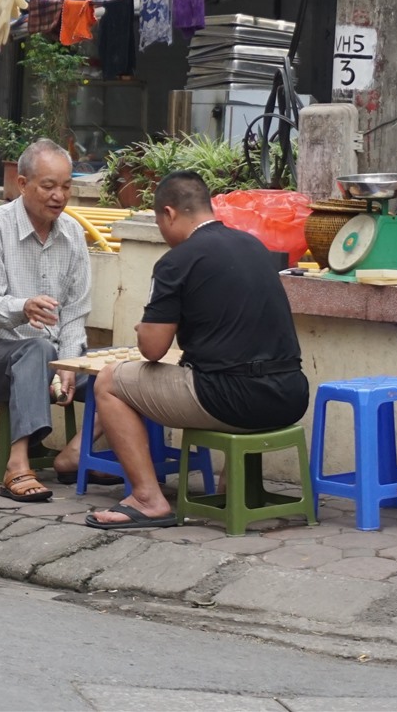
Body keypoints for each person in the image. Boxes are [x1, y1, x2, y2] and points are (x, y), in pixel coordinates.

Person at [85, 170, 310, 529]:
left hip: (230, 398)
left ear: (169, 214)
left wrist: (144, 329)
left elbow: (154, 349)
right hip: (291, 394)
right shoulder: (254, 247)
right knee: (225, 367)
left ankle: (146, 498)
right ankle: (236, 488)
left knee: (109, 381)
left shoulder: (176, 261)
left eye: (160, 222)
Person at [0, 139, 91, 501]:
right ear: (23, 184)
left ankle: (75, 454)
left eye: (66, 186)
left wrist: (70, 362)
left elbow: (76, 312)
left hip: (51, 356)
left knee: (122, 373)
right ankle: (17, 465)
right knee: (36, 348)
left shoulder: (74, 234)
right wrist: (23, 306)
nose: (58, 196)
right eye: (48, 186)